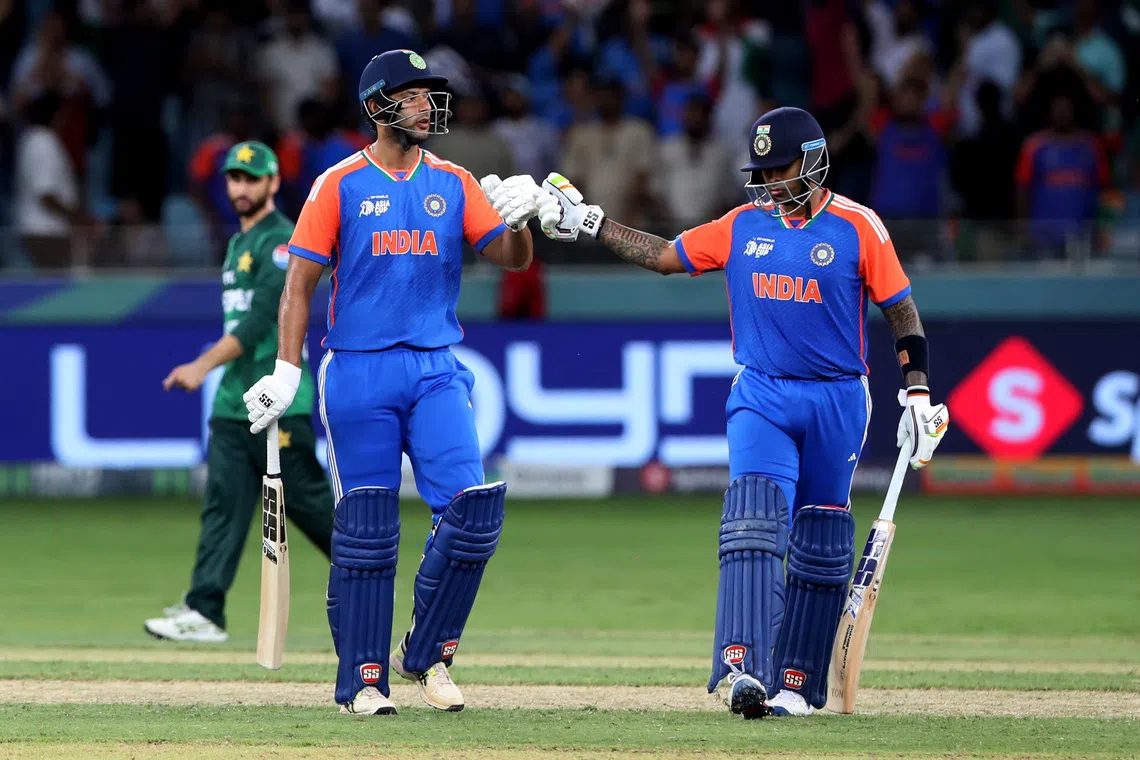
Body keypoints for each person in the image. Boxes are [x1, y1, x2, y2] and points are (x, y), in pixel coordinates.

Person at [532, 106, 949, 718]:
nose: (771, 182)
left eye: (781, 168)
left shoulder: (859, 227)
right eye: (763, 171)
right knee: (754, 516)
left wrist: (917, 391)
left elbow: (901, 310)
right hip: (763, 393)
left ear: (811, 161)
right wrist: (591, 222)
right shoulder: (740, 225)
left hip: (838, 397)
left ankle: (799, 686)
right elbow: (666, 255)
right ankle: (742, 665)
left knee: (823, 540)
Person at [242, 50, 536, 716]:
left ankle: (427, 654)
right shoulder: (338, 184)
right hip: (358, 370)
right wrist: (287, 370)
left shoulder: (457, 181)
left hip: (436, 368)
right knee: (368, 527)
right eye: (413, 96)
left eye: (432, 95)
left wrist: (524, 219)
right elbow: (300, 283)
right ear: (377, 105)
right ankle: (362, 682)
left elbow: (509, 261)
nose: (428, 106)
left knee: (475, 511)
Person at [145, 142, 333, 642]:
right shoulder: (236, 245)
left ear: (273, 183)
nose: (241, 188)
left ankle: (371, 575)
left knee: (310, 507)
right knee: (223, 508)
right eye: (234, 178)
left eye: (252, 178)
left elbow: (256, 323)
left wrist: (201, 365)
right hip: (234, 404)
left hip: (277, 401)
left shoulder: (282, 241)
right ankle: (205, 610)